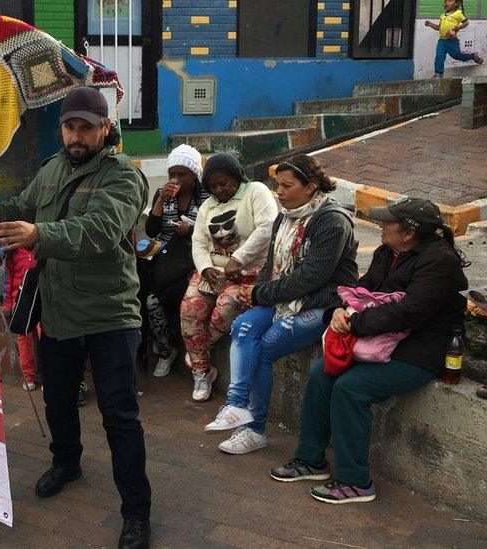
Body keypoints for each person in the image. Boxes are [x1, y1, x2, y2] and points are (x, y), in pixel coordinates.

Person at [0, 86, 152, 549]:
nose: (76, 136)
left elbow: (100, 230)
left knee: (120, 416)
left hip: (109, 314)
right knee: (58, 399)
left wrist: (39, 233)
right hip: (57, 310)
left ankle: (137, 513)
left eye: (86, 127)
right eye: (69, 126)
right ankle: (66, 461)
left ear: (104, 129)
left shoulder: (124, 176)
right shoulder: (52, 168)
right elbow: (18, 208)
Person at [270, 197, 468, 504]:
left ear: (409, 233)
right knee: (322, 373)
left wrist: (354, 323)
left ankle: (355, 481)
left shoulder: (439, 261)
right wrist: (339, 310)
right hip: (375, 341)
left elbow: (410, 313)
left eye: (387, 223)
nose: (380, 227)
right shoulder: (388, 252)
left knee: (352, 387)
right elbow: (361, 287)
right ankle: (311, 460)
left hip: (418, 350)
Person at [204, 155, 359, 454]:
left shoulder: (332, 222)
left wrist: (260, 295)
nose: (280, 192)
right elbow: (272, 265)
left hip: (322, 303)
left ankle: (254, 429)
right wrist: (257, 292)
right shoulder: (284, 217)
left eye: (287, 186)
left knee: (265, 347)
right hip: (285, 298)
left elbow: (310, 279)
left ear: (311, 186)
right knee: (243, 325)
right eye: (278, 185)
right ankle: (236, 406)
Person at [180, 153, 278, 403]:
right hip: (213, 271)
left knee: (226, 308)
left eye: (224, 183)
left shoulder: (255, 191)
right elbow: (199, 242)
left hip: (248, 272)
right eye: (213, 186)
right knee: (189, 309)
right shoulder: (207, 206)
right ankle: (202, 372)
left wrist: (239, 258)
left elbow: (267, 227)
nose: (219, 190)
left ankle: (199, 350)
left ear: (236, 177)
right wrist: (204, 268)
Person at [142, 144, 209, 378]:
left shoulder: (206, 196)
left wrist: (190, 229)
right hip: (165, 258)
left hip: (192, 258)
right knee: (151, 299)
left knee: (177, 296)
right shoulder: (163, 193)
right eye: (172, 174)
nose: (176, 179)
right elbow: (151, 230)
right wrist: (160, 200)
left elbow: (212, 229)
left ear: (194, 175)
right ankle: (165, 350)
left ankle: (176, 343)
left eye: (182, 174)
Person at [3, 246, 39, 390]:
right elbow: (8, 279)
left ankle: (49, 377)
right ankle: (28, 375)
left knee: (47, 338)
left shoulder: (41, 247)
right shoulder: (13, 252)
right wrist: (8, 304)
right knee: (24, 339)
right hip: (21, 301)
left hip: (40, 298)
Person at [425, 0, 484, 78]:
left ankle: (473, 56)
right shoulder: (442, 16)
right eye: (445, 1)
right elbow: (439, 28)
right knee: (439, 57)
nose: (446, 3)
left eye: (449, 1)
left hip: (452, 41)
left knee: (457, 55)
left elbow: (466, 23)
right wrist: (430, 24)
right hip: (442, 41)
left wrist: (458, 28)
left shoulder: (458, 13)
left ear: (456, 3)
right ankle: (438, 74)